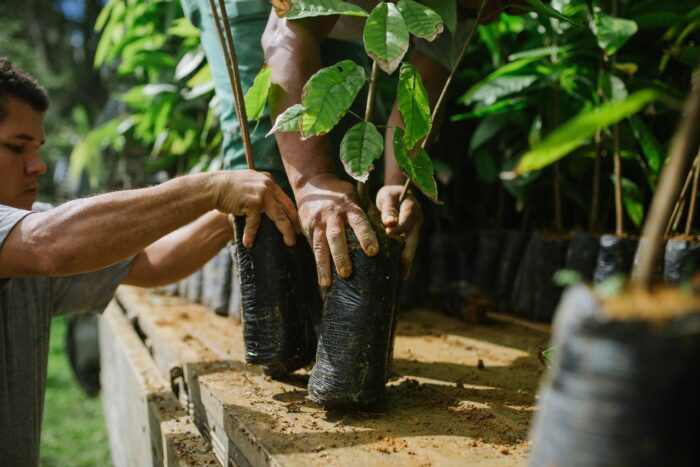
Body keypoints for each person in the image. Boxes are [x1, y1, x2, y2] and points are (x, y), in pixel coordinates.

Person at [0, 56, 299, 466]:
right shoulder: (37, 241)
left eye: (37, 148)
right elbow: (51, 245)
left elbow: (151, 263)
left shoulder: (23, 249)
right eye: (16, 147)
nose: (38, 166)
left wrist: (230, 213)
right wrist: (212, 187)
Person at [181, 0, 521, 287]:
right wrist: (313, 184)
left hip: (342, 13)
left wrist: (396, 184)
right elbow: (287, 36)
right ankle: (276, 339)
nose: (491, 16)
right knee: (268, 158)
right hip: (250, 6)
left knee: (345, 147)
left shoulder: (467, 7)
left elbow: (423, 89)